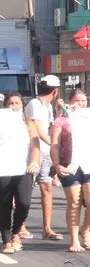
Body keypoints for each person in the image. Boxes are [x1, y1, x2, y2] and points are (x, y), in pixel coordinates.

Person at [0, 93, 40, 254]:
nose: (14, 106)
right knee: (4, 205)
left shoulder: (28, 124)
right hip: (1, 169)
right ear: (5, 106)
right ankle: (6, 241)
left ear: (22, 106)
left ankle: (16, 231)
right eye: (10, 103)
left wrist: (33, 162)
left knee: (24, 203)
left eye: (17, 103)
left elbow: (35, 145)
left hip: (23, 169)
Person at [50, 89, 90, 252]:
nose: (80, 104)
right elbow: (54, 144)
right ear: (70, 101)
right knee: (74, 202)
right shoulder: (61, 120)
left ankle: (85, 229)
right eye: (77, 100)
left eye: (83, 101)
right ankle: (74, 240)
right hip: (70, 166)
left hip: (88, 164)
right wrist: (57, 165)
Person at [24, 75, 63, 240]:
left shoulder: (48, 106)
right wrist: (56, 146)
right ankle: (20, 226)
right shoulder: (35, 104)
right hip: (34, 152)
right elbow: (40, 131)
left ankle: (47, 228)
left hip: (46, 153)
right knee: (25, 191)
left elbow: (52, 128)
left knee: (47, 188)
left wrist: (61, 112)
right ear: (55, 91)